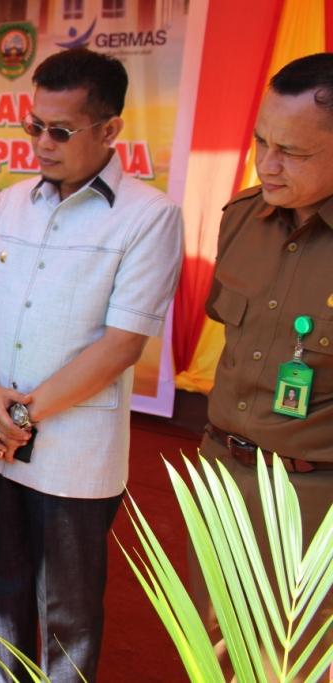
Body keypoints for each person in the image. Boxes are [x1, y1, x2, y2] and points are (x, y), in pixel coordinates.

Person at [0, 48, 183, 682]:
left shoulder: (150, 216)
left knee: (68, 615)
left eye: (61, 131)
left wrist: (24, 414)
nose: (43, 143)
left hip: (75, 453)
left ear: (111, 129)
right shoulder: (10, 204)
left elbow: (122, 343)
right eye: (34, 126)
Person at [197, 52, 333, 678]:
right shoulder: (241, 219)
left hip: (315, 499)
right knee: (215, 654)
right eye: (261, 141)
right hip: (224, 473)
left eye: (294, 152)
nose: (267, 163)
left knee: (297, 667)